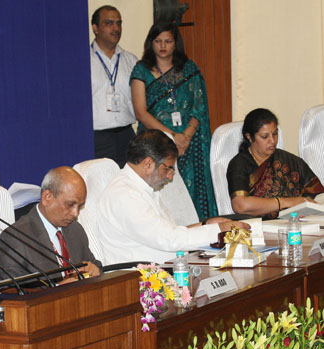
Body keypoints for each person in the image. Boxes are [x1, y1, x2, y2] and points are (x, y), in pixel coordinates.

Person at [97, 130, 249, 265]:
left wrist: (206, 224)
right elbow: (170, 239)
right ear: (148, 164)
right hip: (139, 282)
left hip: (165, 268)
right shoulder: (125, 195)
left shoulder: (143, 187)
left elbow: (168, 232)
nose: (170, 176)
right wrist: (218, 230)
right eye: (169, 168)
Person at [130, 22, 216, 220]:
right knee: (163, 195)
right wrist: (171, 137)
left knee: (191, 190)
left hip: (188, 145)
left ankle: (197, 234)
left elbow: (199, 108)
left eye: (168, 41)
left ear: (175, 43)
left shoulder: (189, 69)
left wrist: (185, 136)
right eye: (158, 41)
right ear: (150, 43)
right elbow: (141, 112)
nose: (162, 46)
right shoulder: (141, 70)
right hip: (155, 145)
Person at [0, 166, 102, 283]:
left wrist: (95, 270)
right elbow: (5, 289)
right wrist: (57, 290)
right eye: (70, 205)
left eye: (80, 206)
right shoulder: (16, 238)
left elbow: (95, 265)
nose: (75, 214)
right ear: (47, 197)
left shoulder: (75, 229)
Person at [227, 108, 324, 219]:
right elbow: (240, 205)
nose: (272, 141)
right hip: (258, 228)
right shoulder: (239, 164)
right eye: (265, 136)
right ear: (249, 137)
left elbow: (319, 196)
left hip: (295, 224)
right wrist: (286, 202)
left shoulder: (290, 161)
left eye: (275, 134)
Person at [91, 5, 138, 168]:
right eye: (109, 23)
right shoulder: (84, 61)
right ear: (95, 28)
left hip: (127, 135)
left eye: (119, 23)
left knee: (128, 186)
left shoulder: (131, 61)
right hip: (97, 138)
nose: (116, 28)